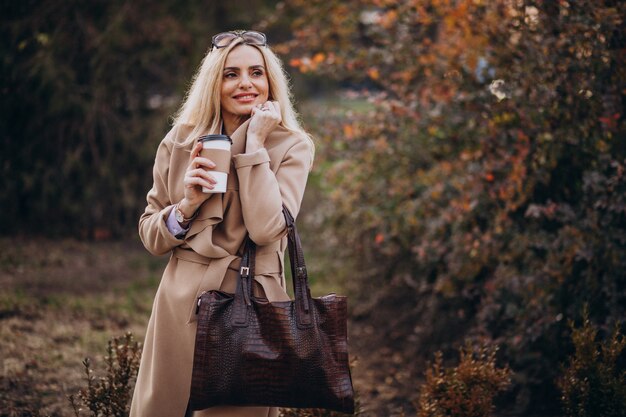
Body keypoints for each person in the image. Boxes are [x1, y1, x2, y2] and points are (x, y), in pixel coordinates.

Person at [130, 30, 314, 417]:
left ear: (270, 82)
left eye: (256, 73)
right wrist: (186, 206)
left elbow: (267, 228)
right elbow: (151, 233)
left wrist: (255, 148)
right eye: (231, 74)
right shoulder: (180, 141)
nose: (246, 83)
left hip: (249, 304)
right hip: (180, 302)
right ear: (215, 82)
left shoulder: (292, 146)